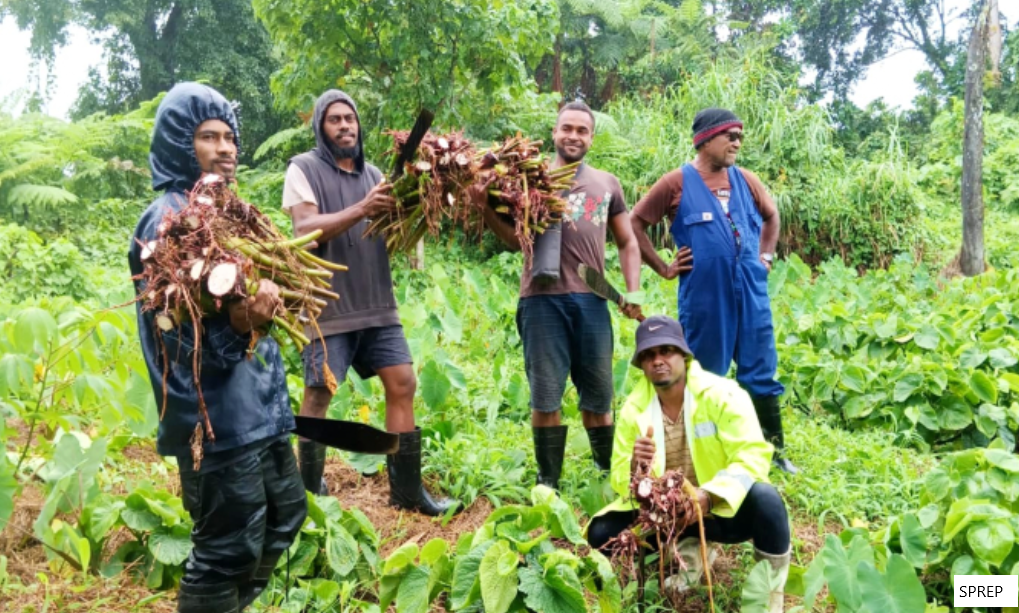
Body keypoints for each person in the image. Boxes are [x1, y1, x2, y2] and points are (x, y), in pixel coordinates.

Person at [128, 83, 306, 612]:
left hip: (259, 406)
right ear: (182, 145)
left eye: (230, 136)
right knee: (226, 548)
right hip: (215, 417)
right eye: (210, 137)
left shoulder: (229, 212)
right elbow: (179, 339)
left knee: (286, 514)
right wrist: (239, 325)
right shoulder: (166, 222)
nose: (226, 148)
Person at [282, 89, 456, 516]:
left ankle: (407, 493)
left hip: (378, 303)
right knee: (319, 394)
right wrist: (363, 208)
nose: (345, 126)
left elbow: (392, 229)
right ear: (321, 128)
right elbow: (305, 227)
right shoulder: (303, 169)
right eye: (334, 120)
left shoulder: (376, 174)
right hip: (328, 307)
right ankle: (307, 495)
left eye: (350, 118)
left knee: (403, 384)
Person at [475, 101, 642, 489]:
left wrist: (633, 291)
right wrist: (485, 209)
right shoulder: (528, 180)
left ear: (591, 138)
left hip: (592, 300)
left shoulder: (607, 183)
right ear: (554, 133)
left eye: (582, 130)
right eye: (567, 128)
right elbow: (517, 243)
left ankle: (606, 476)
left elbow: (628, 242)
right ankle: (548, 481)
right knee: (545, 397)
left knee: (599, 399)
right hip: (540, 300)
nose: (573, 136)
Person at [630, 107, 797, 473]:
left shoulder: (746, 180)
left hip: (751, 292)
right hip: (706, 298)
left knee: (761, 370)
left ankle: (774, 451)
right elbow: (635, 223)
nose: (737, 142)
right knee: (707, 374)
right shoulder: (676, 183)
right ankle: (706, 452)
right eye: (730, 136)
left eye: (740, 136)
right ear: (705, 139)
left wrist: (765, 257)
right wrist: (663, 267)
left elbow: (771, 216)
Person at [587, 316, 790, 612]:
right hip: (665, 517)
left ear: (683, 354)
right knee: (602, 533)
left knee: (768, 502)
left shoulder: (724, 394)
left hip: (718, 509)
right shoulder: (634, 409)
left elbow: (752, 456)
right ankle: (686, 554)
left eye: (666, 351)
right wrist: (634, 470)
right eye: (648, 355)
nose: (658, 361)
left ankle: (770, 599)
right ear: (641, 365)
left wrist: (707, 498)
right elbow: (619, 480)